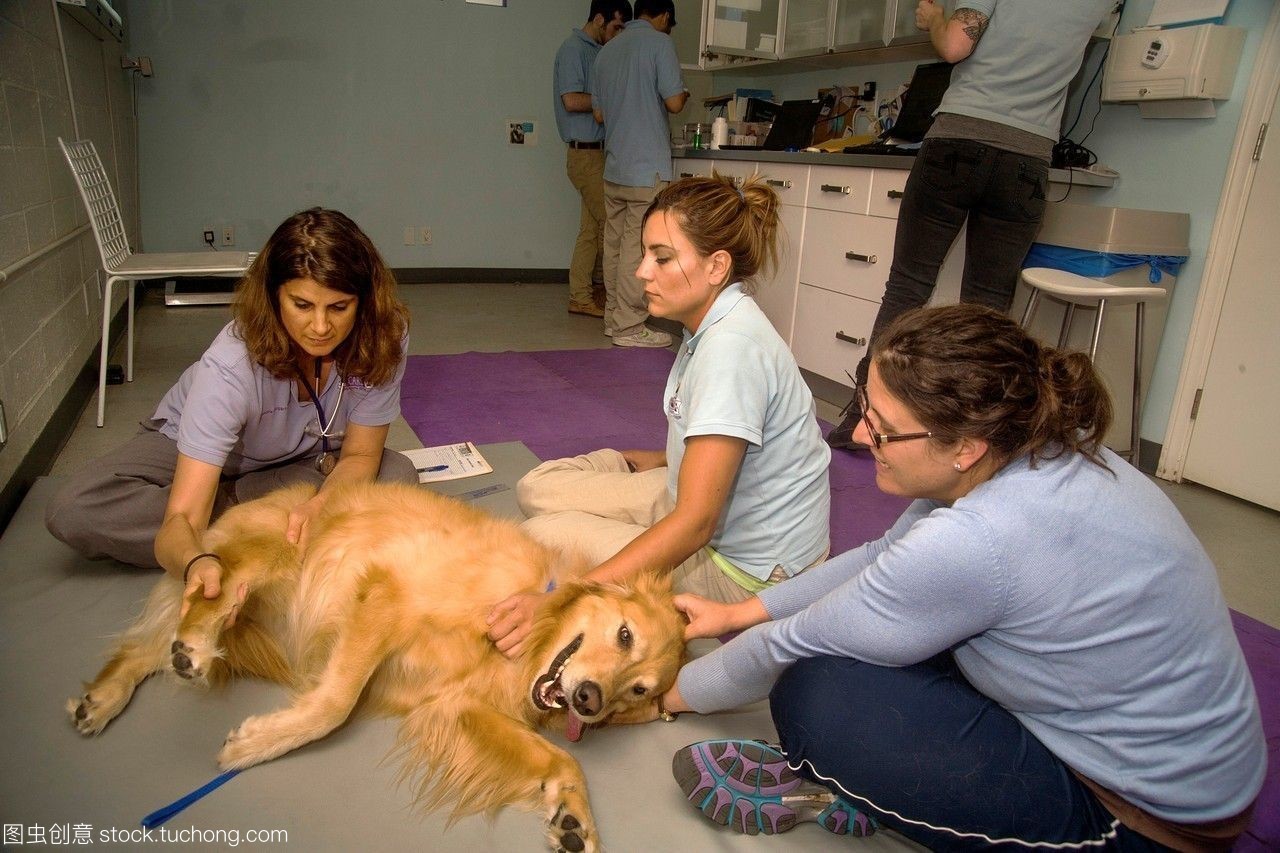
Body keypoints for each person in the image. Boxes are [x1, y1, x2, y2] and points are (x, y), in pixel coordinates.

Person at [663, 304, 1266, 851]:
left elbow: (795, 642)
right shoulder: (1032, 444)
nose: (859, 433)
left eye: (885, 428)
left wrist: (663, 695)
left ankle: (851, 788)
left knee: (814, 696)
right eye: (865, 404)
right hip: (1129, 740)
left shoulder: (981, 537)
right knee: (880, 640)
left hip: (1141, 822)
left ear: (965, 448)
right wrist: (737, 614)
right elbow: (881, 557)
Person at [487, 175, 831, 656]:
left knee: (540, 533)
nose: (642, 271)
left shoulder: (732, 349)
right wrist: (659, 460)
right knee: (535, 488)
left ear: (717, 266)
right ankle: (631, 500)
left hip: (748, 570)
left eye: (662, 258)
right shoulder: (712, 322)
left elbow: (696, 525)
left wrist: (564, 597)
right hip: (697, 495)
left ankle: (632, 535)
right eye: (646, 254)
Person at [46, 208, 417, 603]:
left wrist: (324, 504)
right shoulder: (231, 364)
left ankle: (256, 506)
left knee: (398, 474)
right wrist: (193, 560)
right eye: (302, 305)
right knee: (75, 509)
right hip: (185, 444)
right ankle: (255, 507)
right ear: (274, 298)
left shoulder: (383, 338)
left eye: (339, 307)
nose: (321, 327)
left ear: (363, 302)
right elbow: (183, 519)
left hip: (299, 457)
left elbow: (360, 454)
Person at [826, 0, 1115, 449]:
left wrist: (933, 20)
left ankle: (863, 420)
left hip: (959, 141)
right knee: (989, 307)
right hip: (1029, 159)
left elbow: (956, 45)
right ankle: (973, 434)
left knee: (908, 287)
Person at [590, 0, 688, 348]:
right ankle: (630, 327)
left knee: (614, 245)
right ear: (663, 16)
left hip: (614, 165)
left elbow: (599, 115)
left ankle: (613, 319)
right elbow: (675, 102)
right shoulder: (660, 44)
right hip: (647, 168)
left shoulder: (606, 51)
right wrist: (682, 92)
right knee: (639, 249)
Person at [553, 0, 633, 320]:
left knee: (591, 229)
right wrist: (610, 101)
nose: (616, 36)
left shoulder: (599, 52)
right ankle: (598, 292)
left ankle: (583, 296)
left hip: (598, 152)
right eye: (614, 28)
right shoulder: (574, 50)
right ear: (599, 19)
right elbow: (571, 100)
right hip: (584, 154)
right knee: (611, 225)